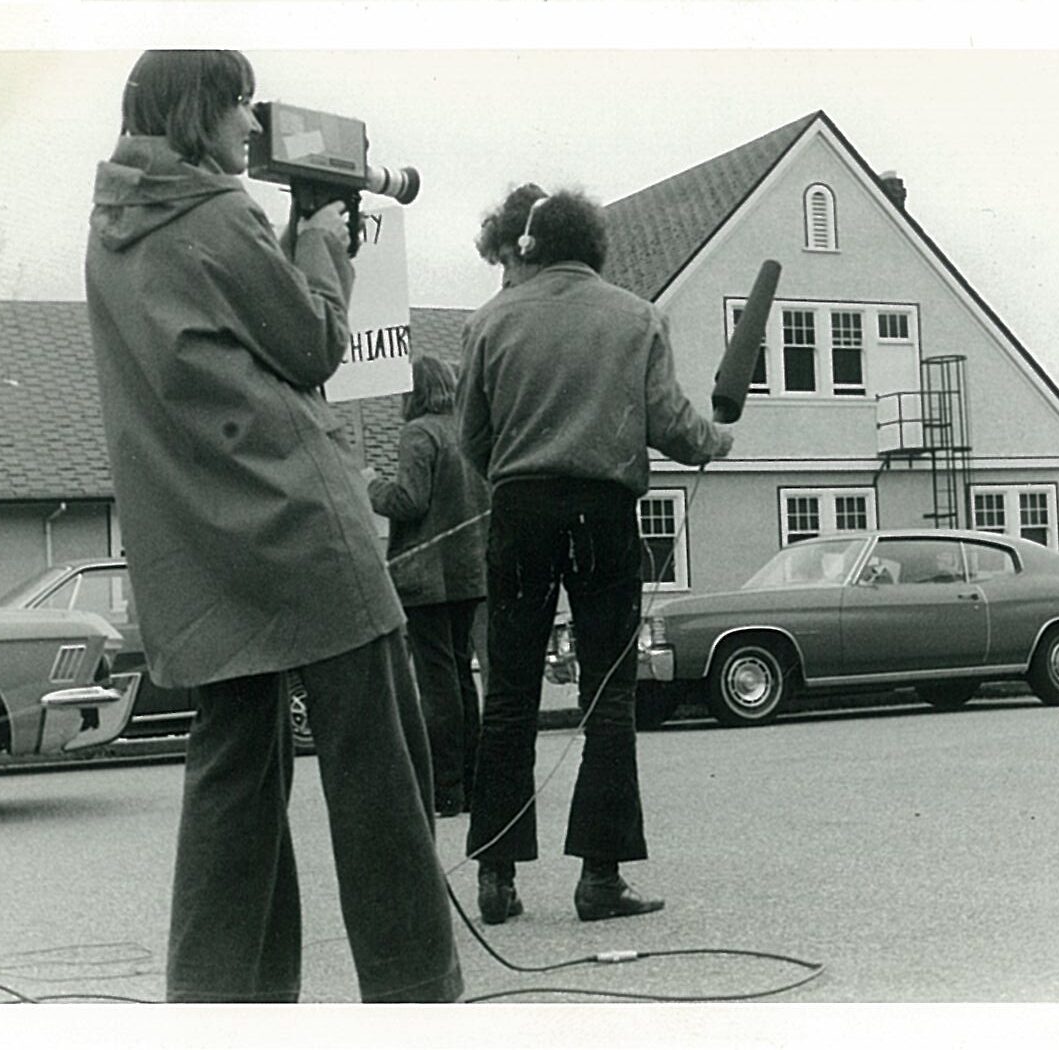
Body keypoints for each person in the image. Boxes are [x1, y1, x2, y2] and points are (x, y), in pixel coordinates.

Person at [84, 50, 460, 1002]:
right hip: (301, 523)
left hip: (201, 550)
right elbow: (312, 342)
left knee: (231, 787)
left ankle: (221, 1003)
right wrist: (324, 238)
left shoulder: (112, 231)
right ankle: (417, 996)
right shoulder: (215, 213)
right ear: (199, 106)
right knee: (378, 776)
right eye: (241, 103)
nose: (252, 124)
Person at [458, 184, 733, 924]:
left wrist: (516, 473)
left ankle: (497, 876)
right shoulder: (636, 318)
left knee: (509, 693)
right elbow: (672, 424)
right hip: (605, 514)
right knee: (608, 693)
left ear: (530, 247)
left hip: (520, 511)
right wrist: (717, 440)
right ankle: (600, 877)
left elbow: (472, 440)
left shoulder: (490, 322)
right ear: (597, 247)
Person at [367, 355, 490, 819]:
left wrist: (371, 486)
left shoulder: (418, 433)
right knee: (461, 677)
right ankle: (471, 783)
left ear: (413, 390)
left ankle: (445, 788)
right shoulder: (467, 430)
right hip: (468, 573)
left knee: (436, 684)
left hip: (425, 577)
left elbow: (409, 501)